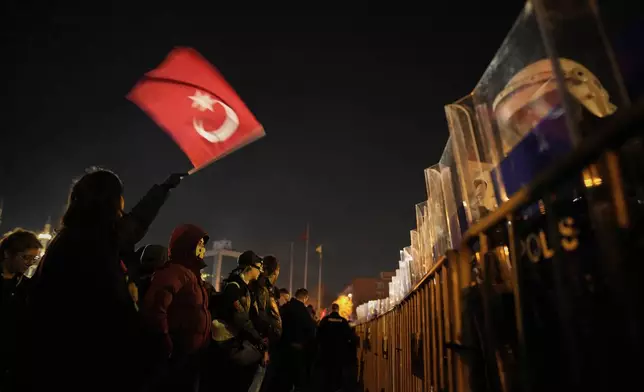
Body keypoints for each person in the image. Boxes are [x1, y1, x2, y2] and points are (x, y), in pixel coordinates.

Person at [28, 168, 184, 392]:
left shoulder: (82, 237)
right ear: (110, 201)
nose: (124, 203)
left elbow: (135, 222)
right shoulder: (90, 248)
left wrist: (163, 189)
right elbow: (109, 319)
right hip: (84, 371)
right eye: (120, 195)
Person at [142, 224, 211, 392]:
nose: (203, 249)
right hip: (177, 358)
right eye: (199, 244)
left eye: (203, 245)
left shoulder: (192, 275)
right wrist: (167, 343)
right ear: (187, 245)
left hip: (189, 356)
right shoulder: (175, 272)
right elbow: (155, 307)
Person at [206, 251, 267, 392]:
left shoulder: (245, 288)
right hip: (227, 343)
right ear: (249, 268)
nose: (260, 271)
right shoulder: (234, 288)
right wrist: (258, 340)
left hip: (234, 341)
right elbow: (240, 318)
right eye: (258, 267)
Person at [0, 229, 42, 392]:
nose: (29, 263)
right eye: (25, 257)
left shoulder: (26, 286)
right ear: (7, 254)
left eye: (34, 258)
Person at [250, 255, 282, 392]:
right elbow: (260, 318)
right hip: (260, 347)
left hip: (263, 344)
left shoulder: (267, 288)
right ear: (276, 271)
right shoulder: (262, 288)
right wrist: (264, 349)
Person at [278, 288, 317, 392]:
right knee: (298, 380)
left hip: (283, 347)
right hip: (298, 349)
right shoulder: (303, 311)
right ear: (305, 298)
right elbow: (310, 329)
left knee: (284, 379)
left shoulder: (286, 307)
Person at [316, 303, 354, 392]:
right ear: (338, 309)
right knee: (338, 369)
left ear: (331, 309)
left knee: (327, 369)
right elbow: (349, 335)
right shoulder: (343, 321)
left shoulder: (325, 320)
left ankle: (327, 386)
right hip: (339, 350)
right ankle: (337, 387)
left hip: (326, 349)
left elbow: (319, 333)